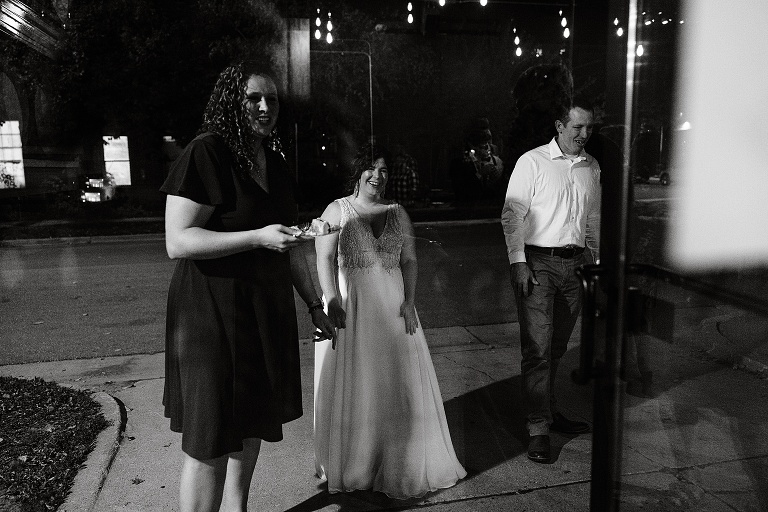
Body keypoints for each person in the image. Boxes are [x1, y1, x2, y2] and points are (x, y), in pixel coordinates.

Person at [160, 61, 335, 512]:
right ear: (230, 104)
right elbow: (178, 241)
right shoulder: (207, 152)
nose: (264, 107)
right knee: (211, 437)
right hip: (209, 313)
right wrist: (256, 237)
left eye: (272, 99)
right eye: (253, 98)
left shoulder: (272, 160)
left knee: (251, 420)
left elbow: (290, 243)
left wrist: (315, 303)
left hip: (260, 310)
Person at [313, 143, 466, 498]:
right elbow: (323, 256)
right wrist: (332, 298)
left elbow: (410, 259)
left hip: (395, 307)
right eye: (371, 169)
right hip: (355, 306)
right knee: (361, 380)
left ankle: (398, 458)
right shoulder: (337, 210)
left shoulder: (398, 212)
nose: (378, 177)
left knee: (400, 382)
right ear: (358, 172)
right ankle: (358, 463)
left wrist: (411, 301)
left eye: (383, 170)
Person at [501, 96, 601, 464]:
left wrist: (597, 263)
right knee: (538, 350)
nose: (584, 134)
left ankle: (550, 411)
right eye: (577, 127)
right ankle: (538, 429)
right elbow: (512, 215)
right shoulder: (532, 162)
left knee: (556, 348)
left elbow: (593, 220)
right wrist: (518, 262)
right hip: (539, 262)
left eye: (589, 128)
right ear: (559, 127)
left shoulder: (591, 167)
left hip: (576, 266)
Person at [449, 117, 505, 204]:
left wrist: (498, 179)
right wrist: (479, 174)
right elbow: (461, 191)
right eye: (481, 145)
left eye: (487, 144)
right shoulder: (459, 162)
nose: (485, 149)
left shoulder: (497, 161)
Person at [386, 143, 421, 207]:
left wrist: (407, 201)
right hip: (395, 205)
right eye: (396, 161)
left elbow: (414, 190)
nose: (397, 162)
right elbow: (390, 187)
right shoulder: (394, 174)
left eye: (400, 161)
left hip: (408, 205)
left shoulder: (411, 173)